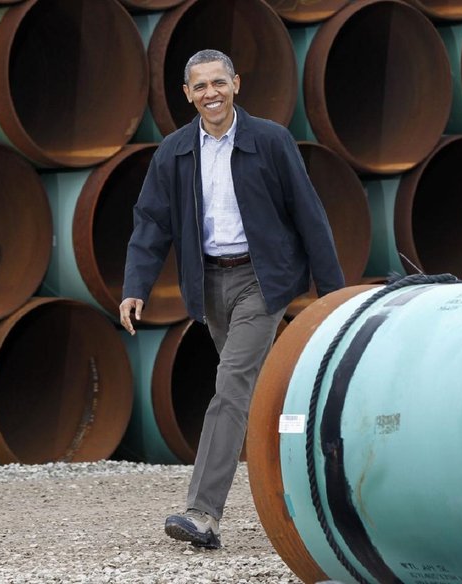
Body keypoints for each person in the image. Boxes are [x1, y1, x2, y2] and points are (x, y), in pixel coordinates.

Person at [119, 49, 345, 549]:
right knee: (269, 394)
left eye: (218, 82)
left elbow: (309, 215)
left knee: (231, 387)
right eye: (199, 87)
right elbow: (152, 222)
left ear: (236, 84)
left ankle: (202, 512)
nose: (210, 94)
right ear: (187, 95)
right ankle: (329, 481)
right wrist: (136, 286)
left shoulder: (270, 141)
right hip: (209, 285)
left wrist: (333, 298)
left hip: (263, 280)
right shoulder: (175, 152)